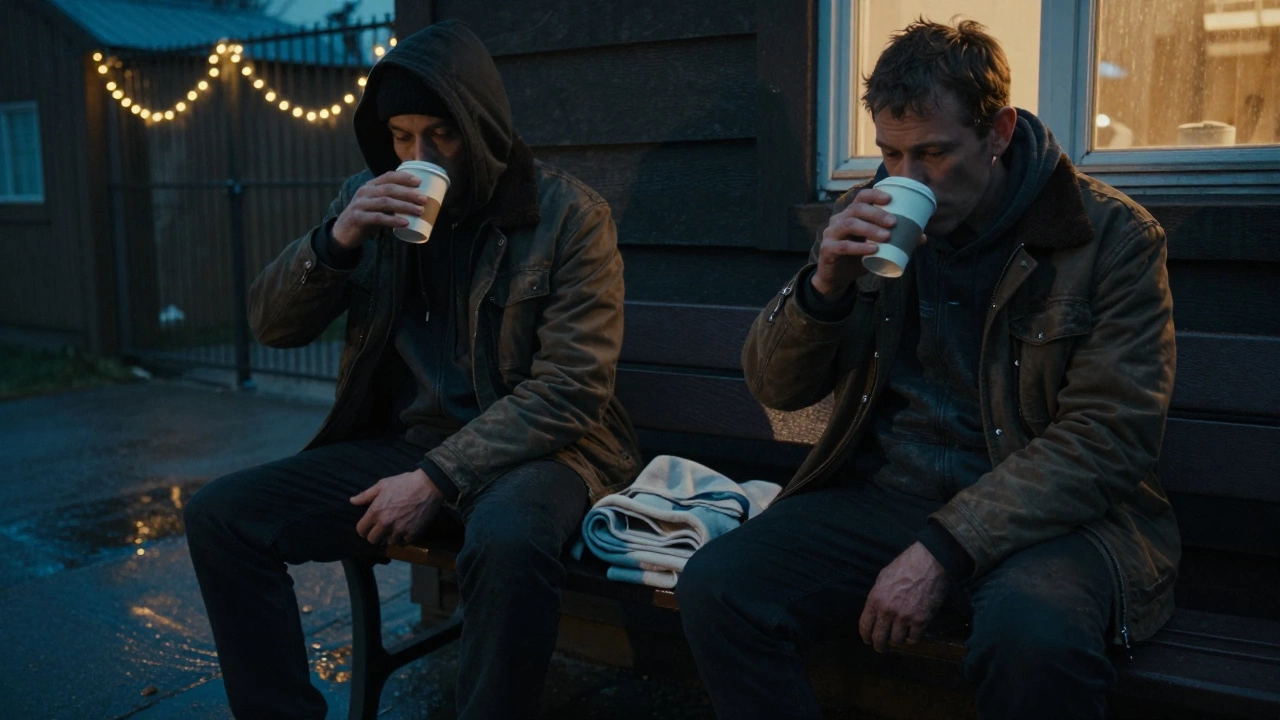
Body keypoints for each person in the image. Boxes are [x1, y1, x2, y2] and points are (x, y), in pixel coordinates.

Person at [677, 19, 1178, 720]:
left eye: (934, 154)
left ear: (999, 132)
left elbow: (1109, 437)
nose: (906, 177)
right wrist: (824, 287)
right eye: (889, 152)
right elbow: (776, 388)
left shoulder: (1108, 238)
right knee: (718, 587)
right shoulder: (871, 216)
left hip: (1050, 520)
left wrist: (944, 548)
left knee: (1033, 638)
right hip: (892, 497)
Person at [183, 20, 640, 720]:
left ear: (480, 127)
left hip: (539, 452)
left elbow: (572, 388)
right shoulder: (365, 201)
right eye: (401, 136)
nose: (417, 155)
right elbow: (272, 327)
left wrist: (436, 479)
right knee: (222, 516)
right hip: (406, 447)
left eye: (440, 135)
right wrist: (335, 242)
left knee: (509, 541)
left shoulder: (567, 214)